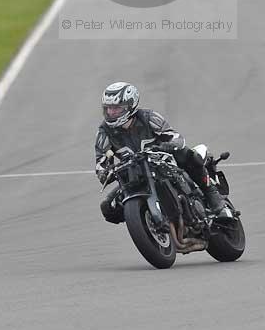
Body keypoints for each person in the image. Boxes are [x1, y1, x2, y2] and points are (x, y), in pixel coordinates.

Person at [95, 81, 226, 224]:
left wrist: (167, 146)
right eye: (108, 108)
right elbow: (101, 162)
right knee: (107, 207)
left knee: (187, 154)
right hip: (133, 172)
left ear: (130, 106)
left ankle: (212, 194)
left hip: (163, 162)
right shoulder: (104, 132)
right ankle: (143, 221)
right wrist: (104, 172)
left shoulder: (148, 117)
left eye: (117, 109)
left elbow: (176, 138)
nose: (111, 112)